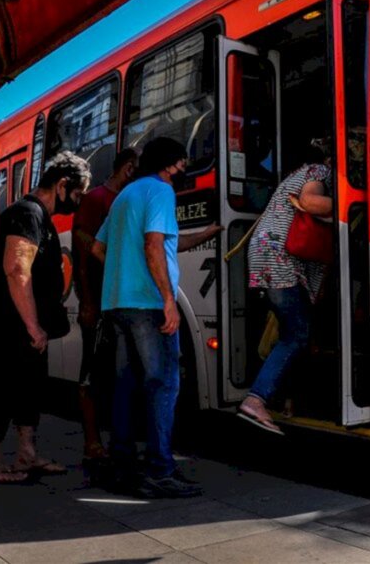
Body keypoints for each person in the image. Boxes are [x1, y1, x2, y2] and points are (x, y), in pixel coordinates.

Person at [92, 137, 220, 498]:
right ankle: (160, 470)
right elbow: (152, 245)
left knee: (125, 387)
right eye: (182, 164)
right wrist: (167, 298)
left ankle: (123, 468)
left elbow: (99, 248)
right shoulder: (161, 191)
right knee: (164, 383)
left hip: (117, 304)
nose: (184, 171)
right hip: (148, 306)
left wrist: (206, 234)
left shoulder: (125, 196)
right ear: (170, 164)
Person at [0, 150, 91, 484]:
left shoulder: (40, 217)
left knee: (28, 389)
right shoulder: (27, 213)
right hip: (13, 321)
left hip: (27, 322)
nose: (78, 202)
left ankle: (26, 454)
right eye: (78, 194)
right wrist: (32, 325)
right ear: (63, 184)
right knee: (2, 387)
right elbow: (16, 269)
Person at [237, 140, 333, 435]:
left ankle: (282, 400)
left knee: (291, 332)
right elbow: (311, 202)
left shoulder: (294, 175)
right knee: (297, 334)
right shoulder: (319, 170)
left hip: (267, 254)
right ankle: (257, 399)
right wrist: (358, 199)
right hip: (281, 257)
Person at [72, 148, 137, 470]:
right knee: (92, 373)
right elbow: (83, 254)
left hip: (121, 300)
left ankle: (117, 439)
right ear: (128, 169)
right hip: (98, 300)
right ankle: (91, 441)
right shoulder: (96, 199)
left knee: (119, 373)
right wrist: (87, 301)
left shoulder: (127, 200)